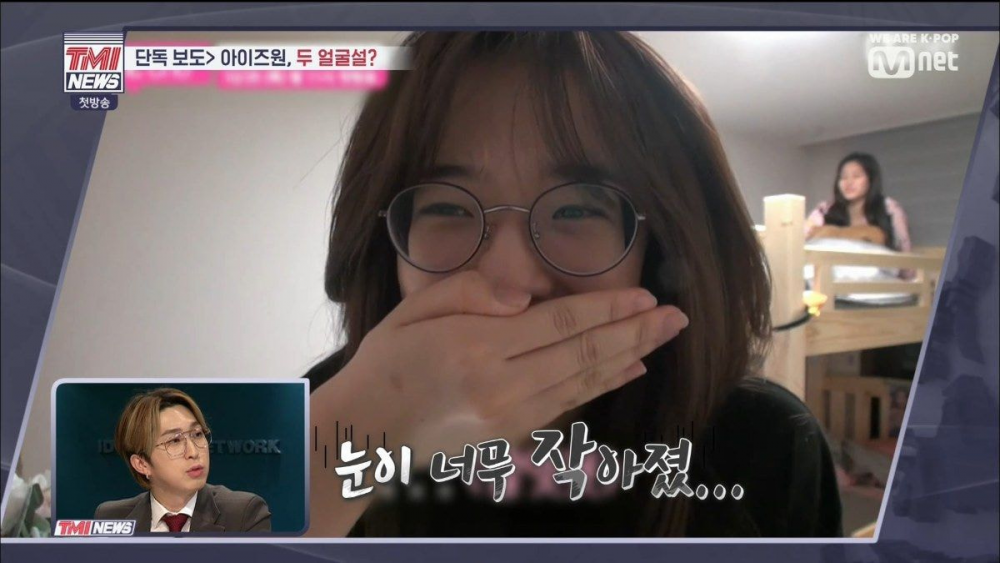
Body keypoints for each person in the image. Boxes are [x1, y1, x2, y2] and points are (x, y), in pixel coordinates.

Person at [305, 31, 842, 537]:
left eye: (577, 209)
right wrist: (355, 435)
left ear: (659, 250)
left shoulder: (765, 443)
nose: (510, 278)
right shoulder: (325, 409)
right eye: (447, 208)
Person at [94, 388, 271, 533]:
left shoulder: (243, 514)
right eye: (174, 441)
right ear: (142, 464)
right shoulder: (111, 519)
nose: (193, 452)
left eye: (197, 434)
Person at [805, 152, 913, 254]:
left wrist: (834, 233)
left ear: (871, 179)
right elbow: (803, 238)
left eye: (856, 176)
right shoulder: (825, 210)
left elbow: (904, 251)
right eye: (843, 177)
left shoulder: (888, 207)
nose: (849, 182)